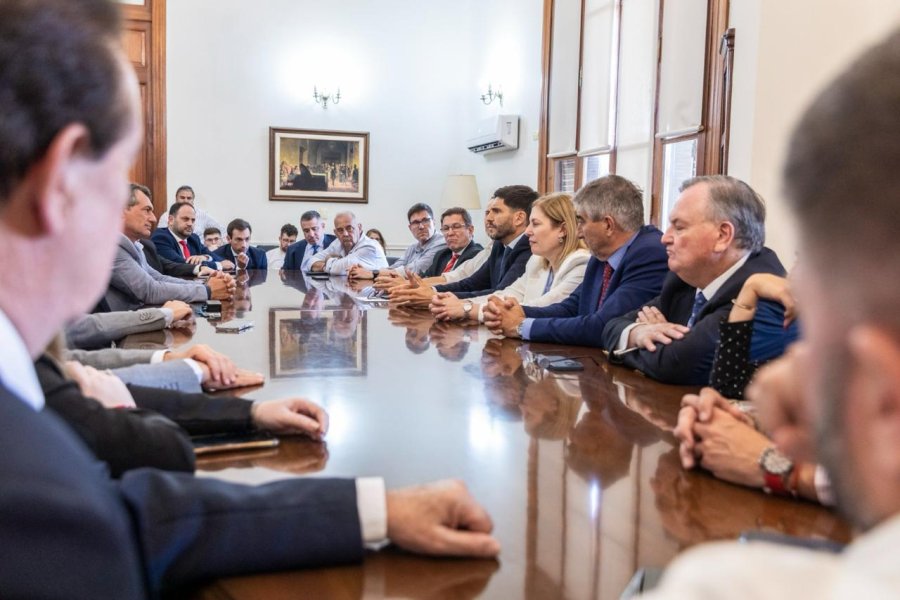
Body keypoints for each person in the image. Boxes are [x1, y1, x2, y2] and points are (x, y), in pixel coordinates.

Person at [0, 2, 498, 597]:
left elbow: (134, 511)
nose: (147, 216)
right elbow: (106, 528)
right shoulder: (26, 488)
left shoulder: (23, 366)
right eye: (118, 179)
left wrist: (367, 508)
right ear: (60, 185)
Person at [641, 29, 900, 598]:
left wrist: (775, 466)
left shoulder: (725, 584)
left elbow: (679, 359)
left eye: (811, 266)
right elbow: (724, 388)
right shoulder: (741, 284)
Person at [601, 175, 787, 385]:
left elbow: (677, 364)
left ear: (723, 236)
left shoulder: (758, 291)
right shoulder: (685, 281)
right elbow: (612, 325)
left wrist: (666, 348)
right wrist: (637, 333)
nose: (664, 238)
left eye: (679, 227)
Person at [482, 175, 669, 345]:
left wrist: (522, 326)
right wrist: (519, 313)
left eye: (581, 221)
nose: (578, 231)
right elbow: (572, 306)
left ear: (608, 225)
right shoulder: (602, 255)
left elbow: (603, 325)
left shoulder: (650, 253)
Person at [430, 193, 590, 322]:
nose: (527, 232)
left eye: (535, 224)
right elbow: (506, 295)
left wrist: (467, 309)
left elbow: (542, 307)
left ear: (562, 230)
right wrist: (462, 304)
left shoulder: (580, 263)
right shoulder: (537, 261)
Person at [389, 185, 536, 306]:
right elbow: (471, 283)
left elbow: (501, 294)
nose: (488, 218)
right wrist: (430, 289)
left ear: (519, 218)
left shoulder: (529, 248)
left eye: (496, 211)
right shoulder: (499, 245)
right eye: (487, 212)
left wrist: (435, 296)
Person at [105, 185, 234, 311]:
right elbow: (150, 290)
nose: (153, 218)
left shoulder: (135, 245)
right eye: (147, 210)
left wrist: (204, 285)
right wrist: (208, 290)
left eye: (193, 220)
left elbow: (158, 277)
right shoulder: (111, 248)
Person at [349, 203, 446, 279]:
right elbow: (395, 267)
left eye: (425, 221)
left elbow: (415, 270)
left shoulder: (441, 242)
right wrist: (367, 271)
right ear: (410, 227)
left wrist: (372, 273)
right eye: (416, 223)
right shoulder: (412, 247)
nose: (421, 226)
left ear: (433, 222)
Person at [151, 201, 231, 270]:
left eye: (193, 220)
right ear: (171, 220)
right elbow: (182, 264)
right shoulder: (160, 238)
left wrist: (206, 257)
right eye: (185, 219)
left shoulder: (193, 238)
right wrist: (218, 265)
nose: (190, 224)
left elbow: (219, 259)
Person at [309, 211, 389, 275]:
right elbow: (311, 261)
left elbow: (339, 269)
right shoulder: (337, 243)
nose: (345, 234)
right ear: (336, 233)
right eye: (340, 230)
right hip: (351, 289)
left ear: (359, 227)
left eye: (349, 228)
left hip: (375, 293)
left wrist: (328, 260)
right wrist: (327, 266)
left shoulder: (370, 246)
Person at [421, 207, 483, 277]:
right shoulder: (441, 255)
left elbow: (457, 284)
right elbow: (426, 278)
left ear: (470, 230)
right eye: (446, 228)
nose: (450, 233)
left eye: (456, 227)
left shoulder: (477, 255)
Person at [157, 184, 222, 234]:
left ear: (193, 201)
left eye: (189, 198)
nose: (185, 200)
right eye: (182, 197)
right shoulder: (166, 217)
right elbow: (161, 235)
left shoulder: (202, 215)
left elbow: (222, 230)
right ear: (176, 199)